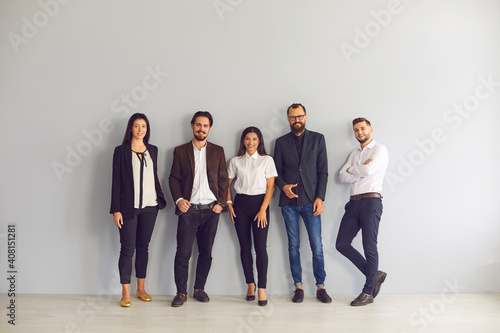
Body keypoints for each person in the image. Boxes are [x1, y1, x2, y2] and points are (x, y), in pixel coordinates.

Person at [168, 111, 228, 307]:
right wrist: (178, 200)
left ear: (209, 128)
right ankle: (181, 293)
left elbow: (223, 179)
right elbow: (174, 179)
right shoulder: (180, 150)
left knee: (206, 252)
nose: (202, 129)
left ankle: (199, 288)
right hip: (189, 210)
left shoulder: (218, 151)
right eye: (198, 125)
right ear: (192, 125)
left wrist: (221, 203)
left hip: (211, 210)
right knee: (183, 253)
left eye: (205, 126)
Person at [274, 103, 332, 304]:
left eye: (299, 116)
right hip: (289, 203)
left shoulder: (318, 139)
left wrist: (320, 197)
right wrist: (283, 187)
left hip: (311, 201)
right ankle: (298, 287)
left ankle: (321, 287)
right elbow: (276, 172)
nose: (296, 120)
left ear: (306, 117)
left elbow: (323, 171)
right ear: (288, 119)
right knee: (293, 246)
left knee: (317, 246)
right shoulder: (280, 142)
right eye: (292, 117)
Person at [110, 113, 167, 307]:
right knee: (127, 249)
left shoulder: (153, 150)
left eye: (143, 126)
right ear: (130, 129)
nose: (140, 129)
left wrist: (160, 200)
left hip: (151, 207)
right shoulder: (121, 151)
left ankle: (141, 288)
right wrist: (116, 209)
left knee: (143, 247)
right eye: (136, 126)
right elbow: (116, 182)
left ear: (147, 129)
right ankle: (125, 292)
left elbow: (154, 175)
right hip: (128, 208)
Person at [336, 117, 388, 306]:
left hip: (371, 202)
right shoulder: (354, 153)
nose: (359, 132)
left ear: (370, 130)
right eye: (356, 130)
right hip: (353, 204)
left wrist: (353, 170)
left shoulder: (379, 149)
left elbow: (368, 170)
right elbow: (342, 176)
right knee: (341, 244)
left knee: (369, 246)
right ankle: (375, 274)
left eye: (362, 128)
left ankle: (367, 292)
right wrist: (357, 168)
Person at [227, 127, 277, 307]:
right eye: (247, 139)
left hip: (260, 205)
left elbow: (271, 187)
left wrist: (263, 209)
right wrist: (229, 203)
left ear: (259, 141)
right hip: (240, 205)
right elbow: (227, 183)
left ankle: (262, 288)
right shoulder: (235, 161)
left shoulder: (266, 160)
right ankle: (250, 284)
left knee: (261, 248)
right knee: (244, 247)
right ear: (243, 141)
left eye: (254, 139)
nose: (251, 142)